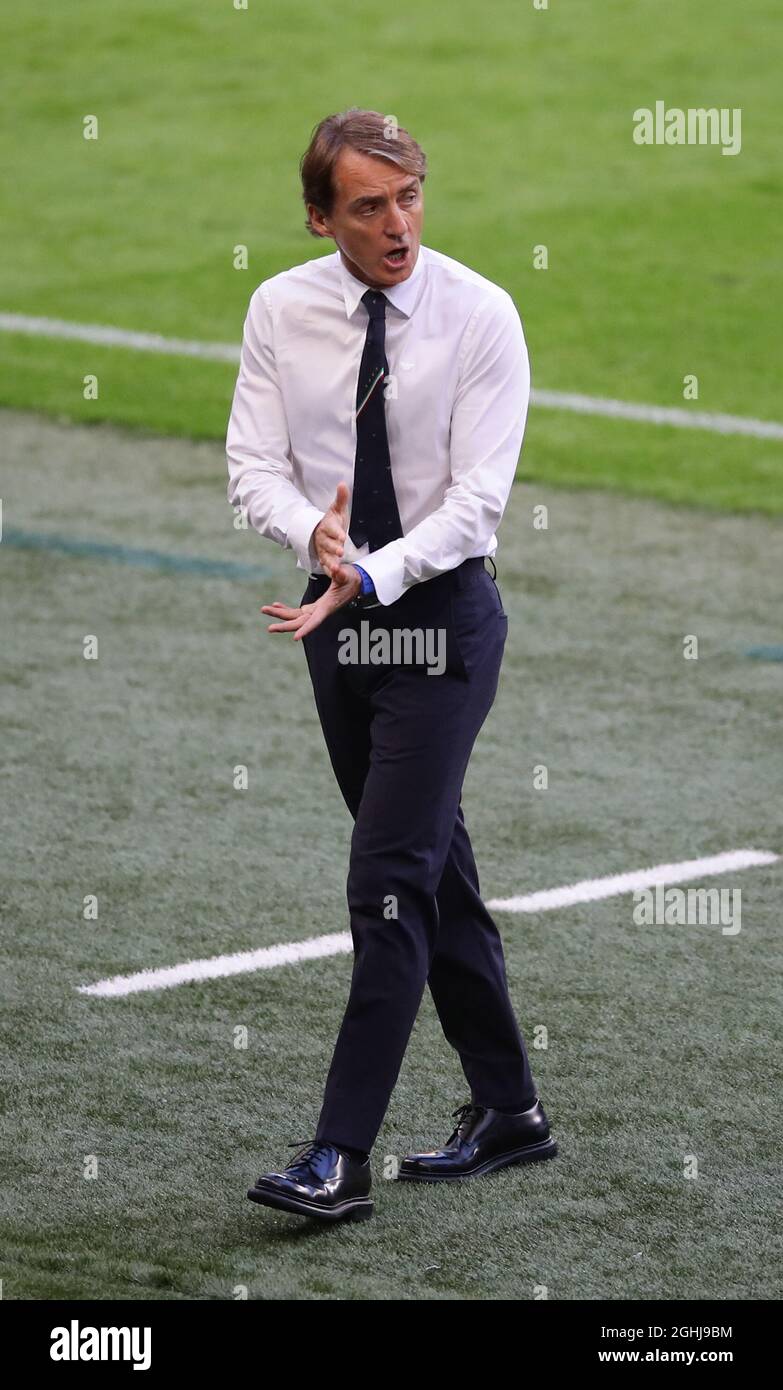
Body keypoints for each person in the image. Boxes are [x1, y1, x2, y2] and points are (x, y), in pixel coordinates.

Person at [226, 108, 557, 1224]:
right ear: (322, 216)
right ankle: (509, 1109)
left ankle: (337, 1154)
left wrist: (375, 570)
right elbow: (252, 469)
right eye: (368, 207)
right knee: (430, 869)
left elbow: (477, 507)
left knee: (383, 882)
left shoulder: (481, 315)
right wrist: (313, 539)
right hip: (340, 630)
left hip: (443, 626)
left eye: (409, 195)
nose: (397, 224)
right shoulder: (281, 308)